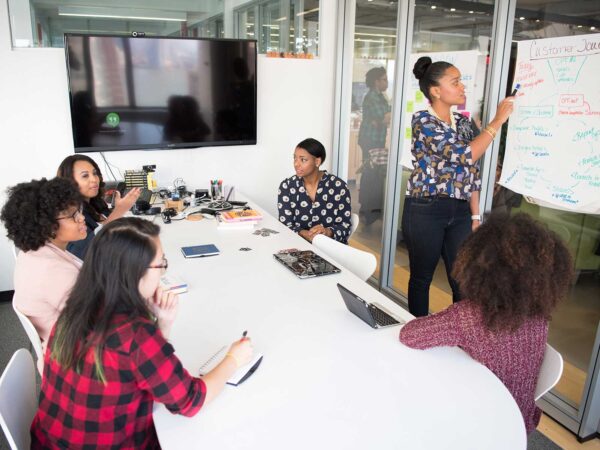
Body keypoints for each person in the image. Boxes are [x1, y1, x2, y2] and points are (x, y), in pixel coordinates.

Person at [31, 217, 254, 448]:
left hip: (50, 442)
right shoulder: (135, 334)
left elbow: (139, 369)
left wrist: (163, 323)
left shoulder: (75, 309)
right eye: (161, 264)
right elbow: (191, 400)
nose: (163, 272)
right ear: (136, 272)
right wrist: (233, 358)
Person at [400, 213, 574, 434]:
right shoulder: (538, 317)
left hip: (481, 425)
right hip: (520, 422)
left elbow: (409, 335)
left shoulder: (468, 316)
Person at [402, 56, 515, 316]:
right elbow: (465, 155)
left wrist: (475, 216)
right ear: (435, 91)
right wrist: (497, 121)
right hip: (426, 208)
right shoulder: (423, 121)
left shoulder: (463, 122)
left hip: (461, 211)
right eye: (455, 82)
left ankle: (460, 333)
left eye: (461, 81)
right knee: (422, 277)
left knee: (462, 280)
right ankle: (417, 329)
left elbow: (471, 172)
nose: (462, 87)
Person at [0, 177, 86, 353]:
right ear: (46, 225)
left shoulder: (32, 253)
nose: (81, 218)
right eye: (72, 215)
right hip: (77, 353)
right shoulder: (54, 272)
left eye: (79, 210)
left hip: (64, 341)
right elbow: (98, 323)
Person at [57, 154, 141, 259]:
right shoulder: (69, 216)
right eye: (85, 176)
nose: (94, 179)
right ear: (69, 182)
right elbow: (86, 252)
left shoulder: (97, 204)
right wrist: (119, 211)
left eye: (95, 173)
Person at [278, 138, 352, 244]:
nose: (296, 164)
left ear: (317, 161)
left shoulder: (339, 187)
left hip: (331, 248)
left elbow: (345, 226)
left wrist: (327, 232)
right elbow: (285, 225)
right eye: (295, 158)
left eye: (303, 160)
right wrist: (307, 234)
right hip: (298, 246)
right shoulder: (287, 187)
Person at [358, 67, 391, 225]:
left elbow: (385, 118)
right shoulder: (372, 97)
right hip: (370, 140)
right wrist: (384, 118)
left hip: (376, 139)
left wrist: (383, 119)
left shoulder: (381, 97)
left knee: (372, 172)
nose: (387, 82)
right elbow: (385, 117)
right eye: (384, 79)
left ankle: (368, 208)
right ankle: (368, 209)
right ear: (376, 81)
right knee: (370, 173)